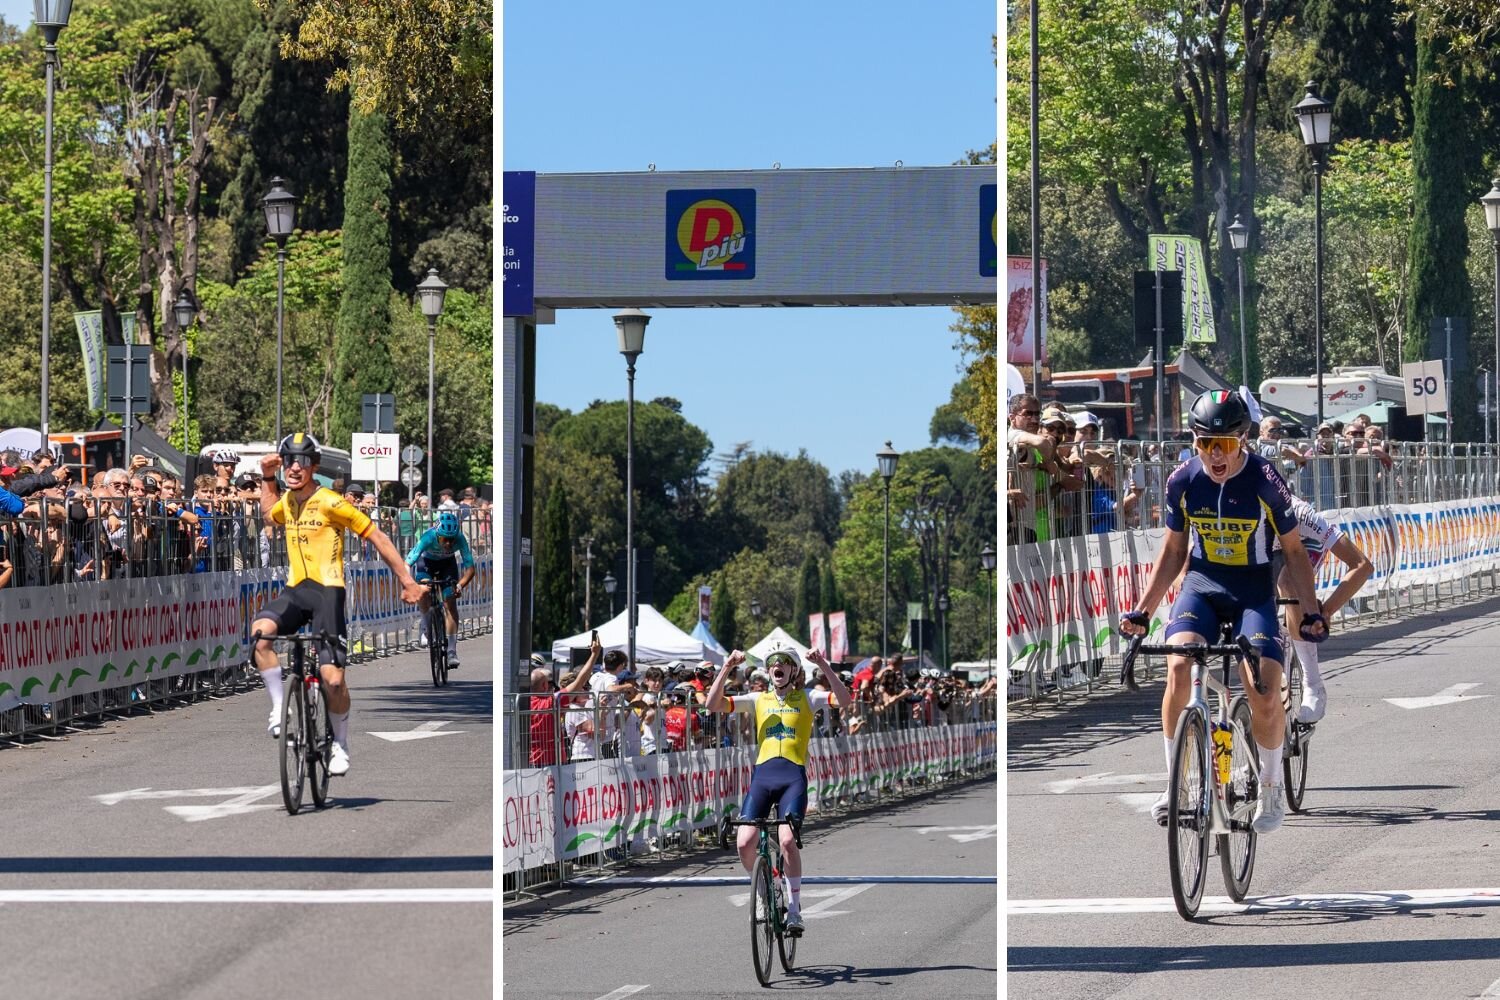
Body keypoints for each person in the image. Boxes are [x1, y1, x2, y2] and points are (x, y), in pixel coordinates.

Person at [1119, 390, 1327, 836]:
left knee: (1264, 688)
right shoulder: (1182, 481)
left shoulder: (1265, 480)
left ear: (1244, 440)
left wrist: (1309, 612)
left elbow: (1292, 551)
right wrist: (1143, 609)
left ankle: (1270, 787)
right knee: (1178, 667)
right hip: (1202, 585)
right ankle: (1177, 781)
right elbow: (1175, 550)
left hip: (1253, 589)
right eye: (1204, 444)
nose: (1215, 455)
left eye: (1226, 445)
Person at [249, 433, 424, 777]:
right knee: (259, 634)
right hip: (296, 590)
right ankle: (278, 708)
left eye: (302, 461)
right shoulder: (287, 499)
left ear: (314, 466)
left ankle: (340, 742)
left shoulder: (331, 501)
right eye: (288, 461)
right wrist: (267, 478)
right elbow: (270, 516)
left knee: (332, 681)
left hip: (328, 592)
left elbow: (377, 536)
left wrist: (406, 580)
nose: (294, 467)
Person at [705, 643, 853, 937]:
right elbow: (712, 705)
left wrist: (822, 664)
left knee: (786, 841)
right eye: (774, 662)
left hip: (792, 778)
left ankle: (796, 909)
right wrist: (726, 667)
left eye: (785, 662)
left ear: (794, 671)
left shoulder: (808, 697)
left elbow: (845, 701)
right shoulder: (758, 699)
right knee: (744, 842)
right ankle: (763, 891)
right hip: (763, 776)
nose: (779, 665)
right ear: (770, 670)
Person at [1274, 497, 1374, 723]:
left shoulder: (1302, 515)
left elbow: (1362, 565)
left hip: (1305, 544)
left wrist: (1326, 611)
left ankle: (1313, 685)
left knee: (1288, 582)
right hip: (1265, 550)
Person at [405, 509, 477, 668]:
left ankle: (452, 650)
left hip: (447, 565)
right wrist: (409, 583)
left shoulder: (459, 538)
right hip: (426, 564)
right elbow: (408, 562)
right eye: (445, 539)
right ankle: (425, 627)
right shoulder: (428, 537)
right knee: (424, 591)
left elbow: (470, 569)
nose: (448, 544)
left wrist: (459, 585)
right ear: (438, 535)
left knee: (450, 600)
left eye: (451, 540)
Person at [529, 648, 597, 766]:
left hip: (531, 761)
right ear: (545, 685)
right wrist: (594, 654)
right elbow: (580, 681)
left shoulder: (522, 703)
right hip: (554, 761)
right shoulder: (552, 702)